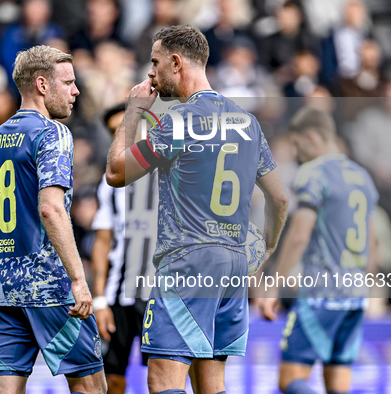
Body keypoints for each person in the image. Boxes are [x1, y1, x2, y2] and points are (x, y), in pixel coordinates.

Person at [106, 25, 289, 394]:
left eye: (155, 63)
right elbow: (280, 199)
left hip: (188, 262)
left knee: (163, 379)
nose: (151, 73)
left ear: (176, 63)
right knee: (211, 383)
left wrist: (134, 111)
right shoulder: (248, 123)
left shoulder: (178, 122)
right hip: (235, 264)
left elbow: (115, 172)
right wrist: (266, 250)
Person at [0, 45, 106, 394]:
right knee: (90, 383)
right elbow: (50, 208)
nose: (76, 90)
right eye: (68, 82)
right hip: (46, 284)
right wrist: (78, 279)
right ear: (41, 84)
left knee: (5, 386)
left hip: (1, 284)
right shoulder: (52, 133)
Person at [258, 107, 379, 394]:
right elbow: (372, 244)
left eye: (298, 146)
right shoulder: (362, 176)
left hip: (322, 292)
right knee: (338, 383)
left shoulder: (313, 173)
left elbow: (299, 235)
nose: (297, 155)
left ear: (311, 137)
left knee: (289, 379)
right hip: (356, 294)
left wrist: (273, 287)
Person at [92, 104, 158, 394]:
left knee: (163, 378)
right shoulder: (109, 185)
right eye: (115, 132)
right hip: (118, 295)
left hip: (160, 295)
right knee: (111, 378)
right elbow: (103, 242)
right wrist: (100, 300)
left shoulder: (172, 172)